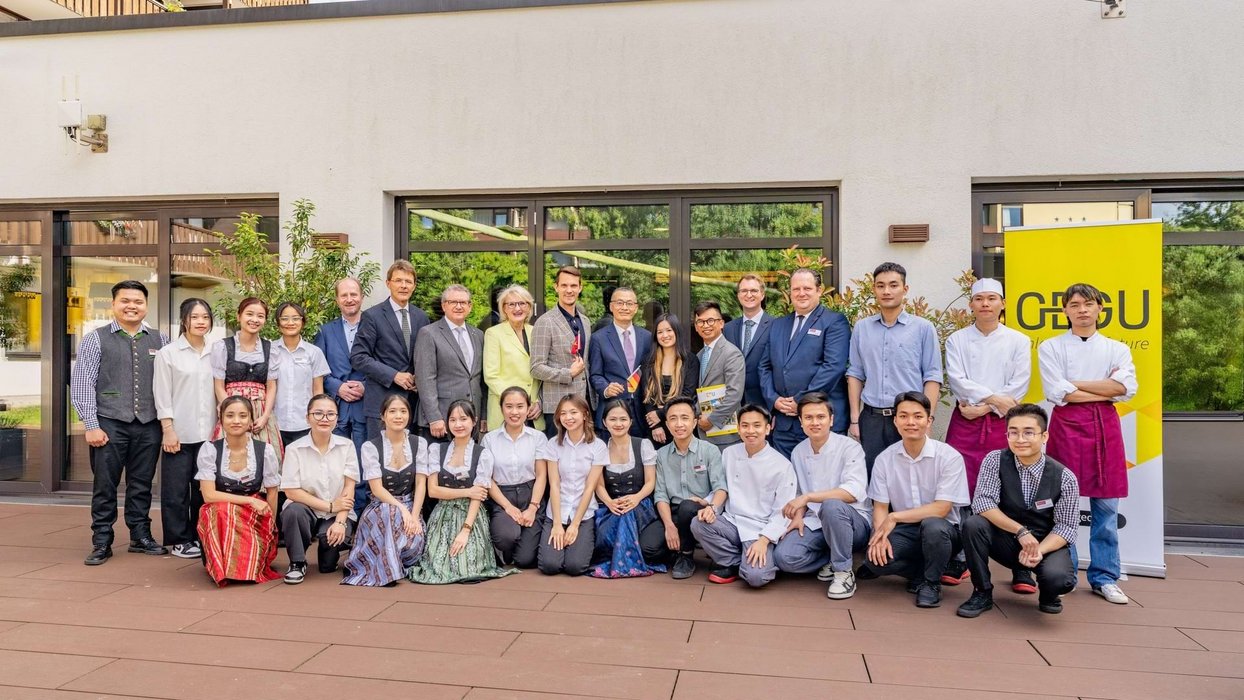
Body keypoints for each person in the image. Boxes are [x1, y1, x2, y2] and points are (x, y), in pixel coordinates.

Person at [1039, 282, 1137, 606]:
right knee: (1062, 504)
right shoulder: (1051, 347)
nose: (1082, 310)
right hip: (1066, 427)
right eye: (1075, 304)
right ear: (1065, 310)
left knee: (1106, 508)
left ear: (1100, 309)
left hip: (1104, 428)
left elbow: (1126, 389)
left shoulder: (1116, 348)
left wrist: (1075, 383)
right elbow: (1058, 392)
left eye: (1088, 304)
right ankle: (1065, 573)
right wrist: (1104, 388)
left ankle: (1105, 577)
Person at [944, 277, 1034, 593]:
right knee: (961, 489)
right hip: (965, 425)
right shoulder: (957, 340)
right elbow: (957, 380)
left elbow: (1019, 386)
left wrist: (985, 407)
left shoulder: (1018, 341)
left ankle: (1021, 565)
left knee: (1011, 491)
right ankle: (961, 557)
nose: (985, 304)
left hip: (1001, 424)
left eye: (991, 299)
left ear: (1003, 304)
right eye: (979, 298)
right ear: (971, 305)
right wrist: (995, 400)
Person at [71, 280, 169, 565]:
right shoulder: (95, 338)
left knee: (141, 484)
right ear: (113, 304)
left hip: (148, 423)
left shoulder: (160, 339)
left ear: (146, 306)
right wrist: (91, 424)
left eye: (138, 301)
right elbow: (82, 384)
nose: (132, 306)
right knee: (105, 485)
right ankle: (102, 540)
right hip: (109, 422)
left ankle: (140, 536)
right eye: (125, 301)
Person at [957, 404, 1080, 617]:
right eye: (1013, 432)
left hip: (1044, 543)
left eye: (1028, 432)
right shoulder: (994, 460)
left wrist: (1038, 551)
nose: (1020, 439)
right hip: (1005, 538)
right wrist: (1021, 532)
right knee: (973, 524)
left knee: (1060, 580)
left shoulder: (1065, 477)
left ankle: (1048, 593)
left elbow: (1067, 527)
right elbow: (983, 503)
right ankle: (982, 592)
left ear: (1044, 436)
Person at [862, 392, 970, 608]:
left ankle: (931, 584)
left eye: (918, 416)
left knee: (932, 526)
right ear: (895, 420)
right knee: (875, 561)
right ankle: (925, 569)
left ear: (929, 421)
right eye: (903, 416)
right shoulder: (885, 459)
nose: (910, 422)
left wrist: (894, 517)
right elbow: (880, 508)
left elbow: (941, 509)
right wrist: (880, 536)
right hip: (907, 530)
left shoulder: (949, 457)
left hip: (944, 531)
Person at [772, 392, 872, 600]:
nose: (815, 422)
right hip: (815, 521)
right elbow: (798, 492)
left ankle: (844, 571)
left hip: (853, 522)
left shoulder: (849, 447)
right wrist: (798, 515)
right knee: (785, 558)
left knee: (831, 506)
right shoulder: (799, 451)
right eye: (808, 418)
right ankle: (834, 555)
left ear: (831, 419)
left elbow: (853, 492)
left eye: (820, 417)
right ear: (800, 421)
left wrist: (809, 498)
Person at [846, 262, 943, 473]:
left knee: (910, 476)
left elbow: (932, 376)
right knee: (873, 476)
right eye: (880, 286)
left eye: (893, 285)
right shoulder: (862, 328)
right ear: (874, 290)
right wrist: (855, 418)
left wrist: (927, 420)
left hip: (909, 418)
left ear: (905, 289)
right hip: (871, 418)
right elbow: (855, 374)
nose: (886, 291)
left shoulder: (923, 328)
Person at [409, 399, 515, 583]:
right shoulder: (437, 450)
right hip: (442, 514)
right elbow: (433, 491)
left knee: (468, 567)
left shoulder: (482, 454)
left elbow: (478, 497)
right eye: (453, 420)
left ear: (473, 421)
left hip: (471, 516)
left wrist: (466, 530)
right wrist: (468, 491)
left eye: (463, 419)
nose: (458, 424)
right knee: (438, 566)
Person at [690, 404, 795, 587]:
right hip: (731, 522)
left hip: (759, 528)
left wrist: (764, 541)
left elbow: (782, 511)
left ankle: (749, 562)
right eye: (745, 425)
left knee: (756, 578)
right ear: (738, 429)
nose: (750, 431)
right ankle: (736, 561)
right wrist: (709, 504)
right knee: (698, 523)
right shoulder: (730, 453)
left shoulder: (782, 465)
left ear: (768, 428)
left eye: (757, 425)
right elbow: (721, 487)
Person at [759, 268, 851, 458]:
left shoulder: (834, 322)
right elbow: (765, 366)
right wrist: (774, 399)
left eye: (807, 288)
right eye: (796, 289)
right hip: (784, 423)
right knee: (786, 482)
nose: (801, 293)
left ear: (819, 290)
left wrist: (801, 401)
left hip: (818, 421)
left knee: (821, 483)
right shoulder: (778, 324)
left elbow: (833, 367)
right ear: (789, 293)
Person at [342, 394, 428, 586]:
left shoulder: (418, 444)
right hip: (380, 507)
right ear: (383, 416)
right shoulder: (370, 447)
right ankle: (387, 573)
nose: (398, 416)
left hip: (410, 508)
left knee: (412, 546)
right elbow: (377, 489)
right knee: (390, 512)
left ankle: (387, 566)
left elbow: (421, 484)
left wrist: (414, 515)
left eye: (403, 411)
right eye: (393, 411)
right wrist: (402, 509)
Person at [195, 396, 282, 586]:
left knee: (228, 511)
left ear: (251, 420)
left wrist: (272, 527)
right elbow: (209, 495)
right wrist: (250, 500)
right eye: (230, 415)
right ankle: (222, 566)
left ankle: (245, 567)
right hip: (221, 513)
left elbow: (273, 492)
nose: (236, 421)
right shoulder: (210, 450)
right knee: (222, 510)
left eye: (243, 416)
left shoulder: (264, 451)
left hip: (253, 515)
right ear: (221, 419)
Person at [154, 298, 217, 560]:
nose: (201, 322)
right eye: (195, 317)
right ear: (184, 320)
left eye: (205, 317)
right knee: (176, 490)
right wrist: (168, 428)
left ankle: (201, 535)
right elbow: (162, 394)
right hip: (179, 432)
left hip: (210, 434)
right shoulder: (168, 353)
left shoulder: (217, 352)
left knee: (203, 489)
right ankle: (179, 539)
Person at [643, 397, 726, 579]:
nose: (679, 424)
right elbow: (661, 494)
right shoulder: (662, 454)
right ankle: (679, 544)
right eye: (673, 419)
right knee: (648, 550)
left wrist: (712, 507)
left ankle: (686, 555)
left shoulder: (709, 450)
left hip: (701, 511)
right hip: (672, 512)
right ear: (666, 423)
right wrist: (669, 525)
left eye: (684, 418)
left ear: (695, 421)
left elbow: (721, 487)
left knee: (687, 506)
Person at [279, 394, 358, 584]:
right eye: (318, 413)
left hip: (336, 513)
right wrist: (329, 505)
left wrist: (339, 522)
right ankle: (297, 562)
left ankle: (333, 548)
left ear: (337, 418)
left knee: (327, 567)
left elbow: (349, 487)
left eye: (331, 414)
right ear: (308, 418)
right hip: (307, 509)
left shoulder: (347, 445)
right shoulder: (294, 449)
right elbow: (291, 491)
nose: (325, 419)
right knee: (292, 511)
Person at [351, 260, 429, 439]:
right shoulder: (372, 316)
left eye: (408, 282)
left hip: (412, 403)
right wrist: (394, 375)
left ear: (414, 286)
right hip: (382, 403)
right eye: (398, 280)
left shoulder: (421, 317)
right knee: (380, 459)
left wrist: (419, 377)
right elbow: (358, 357)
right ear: (388, 283)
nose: (403, 286)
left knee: (409, 460)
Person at [589, 400, 664, 578]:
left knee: (626, 514)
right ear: (604, 422)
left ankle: (622, 564)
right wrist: (609, 502)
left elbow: (650, 482)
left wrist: (635, 498)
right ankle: (624, 562)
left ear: (630, 422)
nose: (618, 424)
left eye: (623, 419)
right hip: (611, 504)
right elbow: (598, 484)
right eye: (613, 419)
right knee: (620, 514)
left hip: (641, 503)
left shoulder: (643, 445)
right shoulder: (600, 447)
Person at [314, 277, 370, 516]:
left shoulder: (374, 325)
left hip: (365, 406)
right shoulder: (325, 331)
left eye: (354, 294)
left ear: (362, 297)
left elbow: (383, 362)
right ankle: (339, 516)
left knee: (363, 460)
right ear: (337, 300)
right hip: (336, 408)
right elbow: (318, 370)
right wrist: (337, 387)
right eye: (344, 295)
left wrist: (365, 386)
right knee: (337, 462)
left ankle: (362, 514)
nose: (350, 299)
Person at [537, 394, 607, 576]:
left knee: (575, 567)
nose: (568, 417)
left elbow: (590, 486)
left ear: (585, 414)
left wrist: (575, 525)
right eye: (563, 413)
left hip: (583, 515)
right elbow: (554, 484)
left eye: (573, 412)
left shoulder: (598, 446)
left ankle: (580, 544)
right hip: (557, 513)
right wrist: (558, 524)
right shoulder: (553, 444)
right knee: (550, 565)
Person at [482, 387, 548, 568]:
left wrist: (533, 507)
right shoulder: (489, 439)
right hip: (502, 496)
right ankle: (503, 546)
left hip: (531, 494)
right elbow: (488, 479)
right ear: (501, 408)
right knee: (505, 538)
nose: (514, 412)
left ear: (528, 409)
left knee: (524, 560)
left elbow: (542, 475)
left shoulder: (538, 437)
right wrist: (508, 507)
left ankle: (522, 546)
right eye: (509, 406)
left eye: (520, 406)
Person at [414, 284, 485, 442]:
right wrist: (434, 417)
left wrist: (483, 416)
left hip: (471, 418)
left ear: (470, 306)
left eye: (463, 302)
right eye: (453, 302)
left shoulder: (478, 335)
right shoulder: (429, 333)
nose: (459, 306)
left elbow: (480, 380)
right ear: (444, 305)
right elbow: (425, 378)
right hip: (442, 419)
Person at [210, 297, 282, 453]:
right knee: (229, 457)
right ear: (239, 316)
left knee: (265, 457)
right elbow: (218, 385)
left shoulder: (271, 349)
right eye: (249, 314)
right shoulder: (223, 346)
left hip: (260, 413)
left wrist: (265, 417)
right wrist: (233, 411)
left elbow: (271, 386)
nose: (255, 320)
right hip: (231, 410)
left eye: (260, 316)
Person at [530, 265, 592, 437]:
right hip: (557, 406)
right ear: (556, 287)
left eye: (573, 286)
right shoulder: (545, 322)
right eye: (564, 285)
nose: (569, 290)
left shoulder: (585, 321)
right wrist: (568, 373)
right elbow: (536, 367)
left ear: (580, 288)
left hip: (582, 404)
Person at [588, 286, 652, 434]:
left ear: (636, 308)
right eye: (619, 303)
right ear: (611, 306)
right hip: (612, 411)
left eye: (629, 303)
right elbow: (595, 374)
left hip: (641, 414)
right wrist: (605, 388)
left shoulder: (647, 337)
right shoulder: (599, 338)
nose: (624, 307)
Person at [483, 284, 545, 432]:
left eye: (522, 303)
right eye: (511, 304)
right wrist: (517, 403)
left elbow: (542, 373)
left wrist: (539, 403)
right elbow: (491, 376)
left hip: (533, 414)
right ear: (504, 308)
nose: (517, 308)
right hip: (506, 411)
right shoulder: (493, 334)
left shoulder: (536, 332)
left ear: (529, 307)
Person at [273, 302, 330, 448]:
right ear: (278, 323)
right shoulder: (270, 351)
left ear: (303, 322)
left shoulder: (314, 352)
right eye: (285, 318)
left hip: (304, 423)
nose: (290, 323)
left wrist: (317, 418)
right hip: (275, 423)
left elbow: (318, 390)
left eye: (296, 318)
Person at [638, 314, 699, 447]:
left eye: (669, 330)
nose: (665, 335)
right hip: (656, 429)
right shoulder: (648, 361)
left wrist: (660, 413)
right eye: (660, 332)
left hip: (681, 425)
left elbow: (686, 395)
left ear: (676, 331)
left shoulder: (690, 360)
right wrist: (656, 426)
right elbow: (647, 397)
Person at [691, 301, 745, 448]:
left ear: (721, 323)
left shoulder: (732, 353)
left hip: (725, 436)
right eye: (700, 322)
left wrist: (712, 420)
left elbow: (734, 394)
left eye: (710, 320)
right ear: (696, 327)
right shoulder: (700, 355)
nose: (705, 325)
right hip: (703, 433)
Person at [723, 274, 774, 408]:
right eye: (744, 291)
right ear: (738, 295)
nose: (748, 295)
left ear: (762, 295)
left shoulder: (776, 326)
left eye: (754, 291)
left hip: (764, 403)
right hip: (733, 405)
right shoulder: (728, 328)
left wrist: (774, 407)